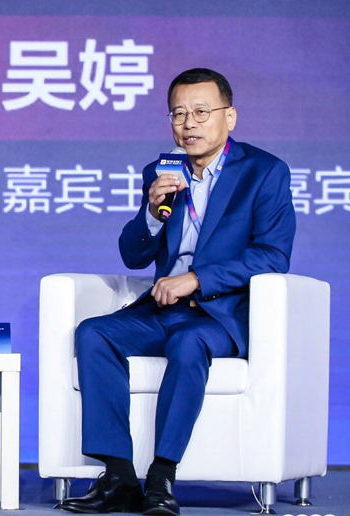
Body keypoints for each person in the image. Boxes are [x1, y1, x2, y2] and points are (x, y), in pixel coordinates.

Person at [59, 68, 296, 515]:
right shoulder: (161, 171)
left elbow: (272, 256)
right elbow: (133, 256)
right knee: (94, 333)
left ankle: (161, 477)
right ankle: (118, 477)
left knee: (188, 343)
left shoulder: (263, 172)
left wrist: (198, 278)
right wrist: (152, 213)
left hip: (220, 314)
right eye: (178, 113)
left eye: (201, 112)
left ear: (229, 117)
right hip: (162, 309)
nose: (189, 124)